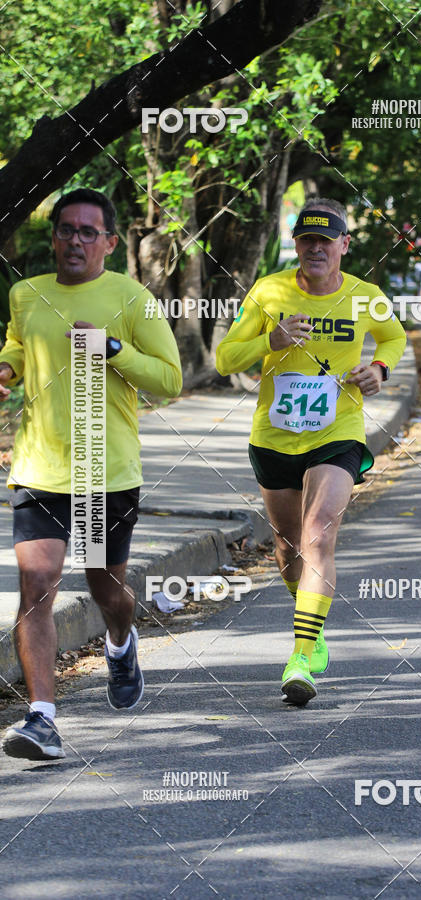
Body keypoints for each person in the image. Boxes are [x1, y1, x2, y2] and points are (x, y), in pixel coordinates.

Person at [0, 188, 182, 761]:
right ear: (52, 237)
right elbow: (21, 345)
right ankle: (42, 719)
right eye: (65, 230)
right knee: (37, 590)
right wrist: (6, 367)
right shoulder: (26, 294)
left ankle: (122, 641)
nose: (75, 241)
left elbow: (169, 381)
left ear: (108, 241)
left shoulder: (132, 299)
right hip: (39, 468)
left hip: (105, 472)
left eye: (87, 232)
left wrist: (113, 349)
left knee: (106, 588)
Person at [216, 198, 406, 706]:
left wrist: (380, 369)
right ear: (296, 244)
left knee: (319, 529)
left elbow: (394, 336)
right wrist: (271, 341)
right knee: (287, 549)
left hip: (337, 433)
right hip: (275, 438)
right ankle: (314, 626)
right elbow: (225, 357)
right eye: (306, 239)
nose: (316, 248)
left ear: (345, 244)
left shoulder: (366, 296)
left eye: (327, 239)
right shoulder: (268, 291)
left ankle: (301, 656)